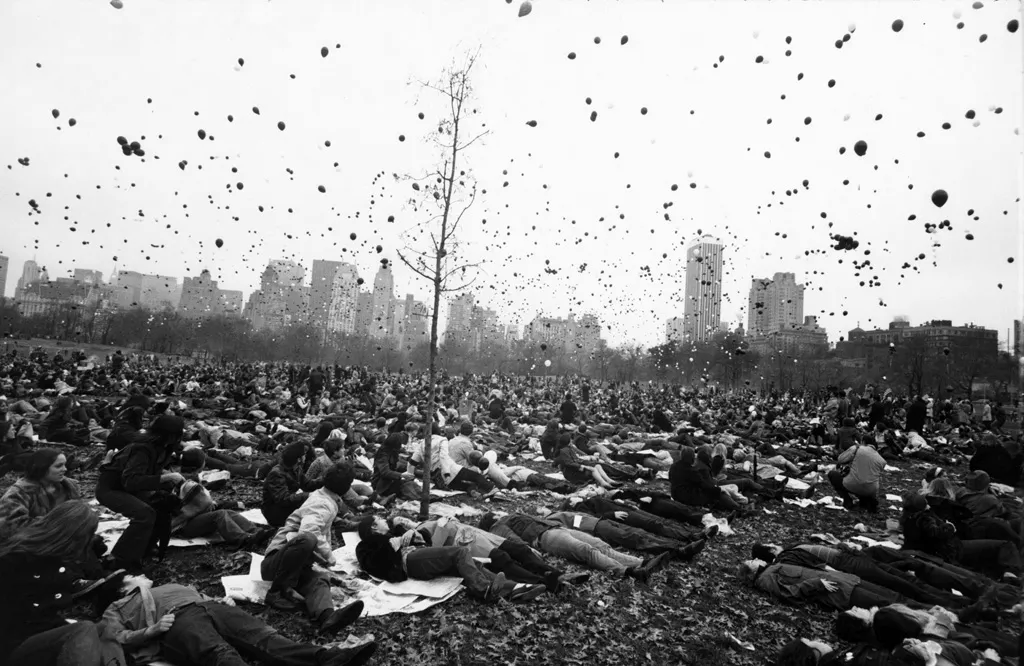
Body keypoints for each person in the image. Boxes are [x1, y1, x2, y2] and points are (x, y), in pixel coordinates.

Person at [96, 572, 377, 666]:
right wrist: (151, 631)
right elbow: (111, 638)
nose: (142, 575)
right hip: (176, 622)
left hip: (209, 607)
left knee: (264, 637)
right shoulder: (118, 605)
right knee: (221, 654)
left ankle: (326, 659)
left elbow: (203, 597)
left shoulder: (168, 586)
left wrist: (217, 600)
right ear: (124, 585)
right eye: (134, 575)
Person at [0, 501, 115, 666]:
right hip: (12, 645)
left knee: (103, 629)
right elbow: (21, 617)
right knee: (84, 629)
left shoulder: (54, 559)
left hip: (35, 632)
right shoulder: (14, 560)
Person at [260, 463, 365, 634]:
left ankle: (327, 616)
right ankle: (276, 592)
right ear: (346, 487)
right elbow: (309, 531)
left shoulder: (326, 498)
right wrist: (328, 555)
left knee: (319, 579)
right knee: (307, 539)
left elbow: (325, 522)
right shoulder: (321, 502)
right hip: (276, 562)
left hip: (295, 565)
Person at [355, 515, 546, 603]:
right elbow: (373, 564)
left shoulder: (392, 535)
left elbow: (426, 546)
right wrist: (393, 546)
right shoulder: (367, 544)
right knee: (459, 553)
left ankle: (516, 589)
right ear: (373, 527)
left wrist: (412, 536)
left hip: (417, 558)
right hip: (409, 561)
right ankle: (483, 590)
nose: (383, 519)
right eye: (379, 518)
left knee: (472, 565)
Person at [390, 515, 587, 592]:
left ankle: (558, 574)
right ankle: (546, 583)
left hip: (482, 535)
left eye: (404, 518)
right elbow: (435, 549)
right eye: (400, 522)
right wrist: (441, 526)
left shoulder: (427, 522)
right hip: (470, 543)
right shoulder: (417, 534)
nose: (405, 521)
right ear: (401, 529)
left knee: (522, 550)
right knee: (505, 562)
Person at [95, 415, 186, 571]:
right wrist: (166, 477)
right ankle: (119, 559)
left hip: (130, 488)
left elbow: (148, 472)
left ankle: (144, 548)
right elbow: (131, 480)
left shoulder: (164, 448)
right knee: (144, 514)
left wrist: (166, 481)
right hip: (111, 489)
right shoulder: (142, 448)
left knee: (162, 507)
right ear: (170, 435)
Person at [477, 511, 669, 584]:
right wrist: (527, 548)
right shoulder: (498, 526)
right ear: (491, 519)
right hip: (546, 537)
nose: (495, 512)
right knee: (585, 550)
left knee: (600, 544)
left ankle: (642, 562)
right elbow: (511, 539)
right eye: (492, 513)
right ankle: (628, 572)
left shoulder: (511, 515)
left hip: (557, 528)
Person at [737, 558, 920, 611]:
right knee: (888, 603)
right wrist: (817, 583)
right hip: (838, 592)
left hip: (844, 580)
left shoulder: (772, 567)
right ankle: (930, 618)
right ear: (752, 571)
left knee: (893, 595)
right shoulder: (765, 580)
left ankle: (934, 610)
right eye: (752, 561)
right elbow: (789, 593)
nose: (756, 559)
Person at [541, 508, 707, 559]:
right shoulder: (549, 520)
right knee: (635, 539)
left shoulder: (560, 511)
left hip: (601, 521)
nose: (541, 508)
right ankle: (680, 552)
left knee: (639, 532)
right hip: (596, 528)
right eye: (540, 510)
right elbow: (570, 530)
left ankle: (683, 544)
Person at [0, 447, 82, 542]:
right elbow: (11, 528)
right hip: (29, 545)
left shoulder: (69, 486)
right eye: (59, 466)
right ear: (42, 467)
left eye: (64, 465)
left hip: (62, 538)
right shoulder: (19, 493)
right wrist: (58, 523)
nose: (65, 469)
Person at [827, 437, 885, 512]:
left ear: (863, 442)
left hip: (853, 485)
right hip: (871, 490)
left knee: (833, 474)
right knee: (866, 480)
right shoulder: (881, 460)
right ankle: (866, 501)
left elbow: (840, 459)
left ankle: (847, 501)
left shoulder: (857, 448)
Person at [261, 441, 312, 527]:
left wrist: (325, 480)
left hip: (288, 506)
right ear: (298, 459)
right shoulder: (277, 473)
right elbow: (283, 499)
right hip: (275, 513)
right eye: (304, 454)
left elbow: (307, 484)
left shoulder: (296, 468)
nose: (305, 456)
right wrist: (307, 495)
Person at [371, 427, 420, 502]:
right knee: (406, 485)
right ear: (395, 443)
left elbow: (397, 464)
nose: (400, 446)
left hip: (390, 480)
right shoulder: (382, 455)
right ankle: (421, 497)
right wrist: (401, 475)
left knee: (411, 482)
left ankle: (422, 496)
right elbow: (385, 472)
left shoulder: (391, 450)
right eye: (399, 444)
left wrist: (411, 465)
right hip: (381, 485)